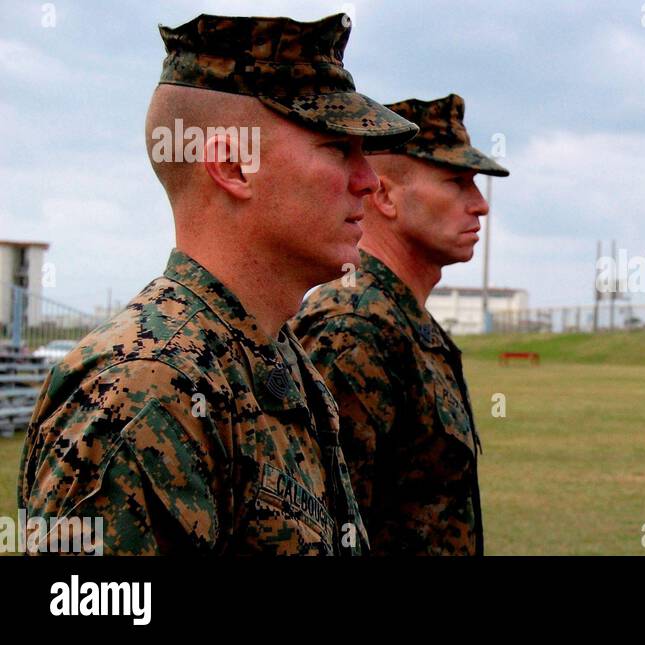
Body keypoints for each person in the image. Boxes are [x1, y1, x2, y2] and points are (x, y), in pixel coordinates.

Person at [18, 13, 418, 554]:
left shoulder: (271, 356)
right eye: (334, 148)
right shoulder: (144, 389)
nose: (368, 180)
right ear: (233, 166)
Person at [294, 95, 507, 555]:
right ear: (385, 196)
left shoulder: (400, 319)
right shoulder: (354, 330)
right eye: (456, 182)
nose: (480, 205)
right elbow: (324, 527)